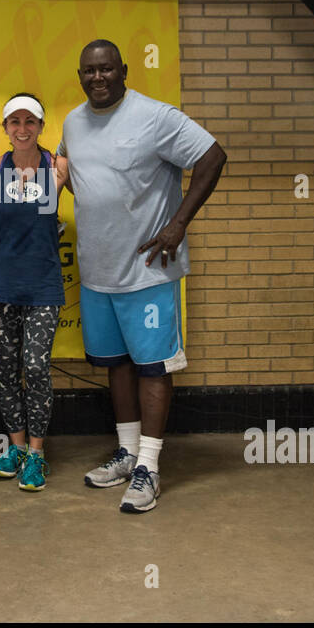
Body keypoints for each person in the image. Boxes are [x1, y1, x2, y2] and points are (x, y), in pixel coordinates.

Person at [58, 39, 226, 513]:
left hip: (148, 271)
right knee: (117, 364)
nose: (98, 77)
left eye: (106, 69)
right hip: (98, 271)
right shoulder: (73, 122)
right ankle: (128, 453)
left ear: (124, 70)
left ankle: (149, 466)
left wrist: (178, 223)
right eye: (89, 70)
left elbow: (213, 157)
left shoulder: (155, 116)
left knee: (153, 367)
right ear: (80, 75)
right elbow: (70, 171)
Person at [0, 93, 69, 491]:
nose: (22, 128)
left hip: (43, 284)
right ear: (5, 128)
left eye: (29, 121)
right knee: (6, 370)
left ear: (41, 126)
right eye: (14, 121)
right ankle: (15, 448)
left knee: (35, 367)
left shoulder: (58, 166)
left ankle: (36, 454)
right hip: (0, 283)